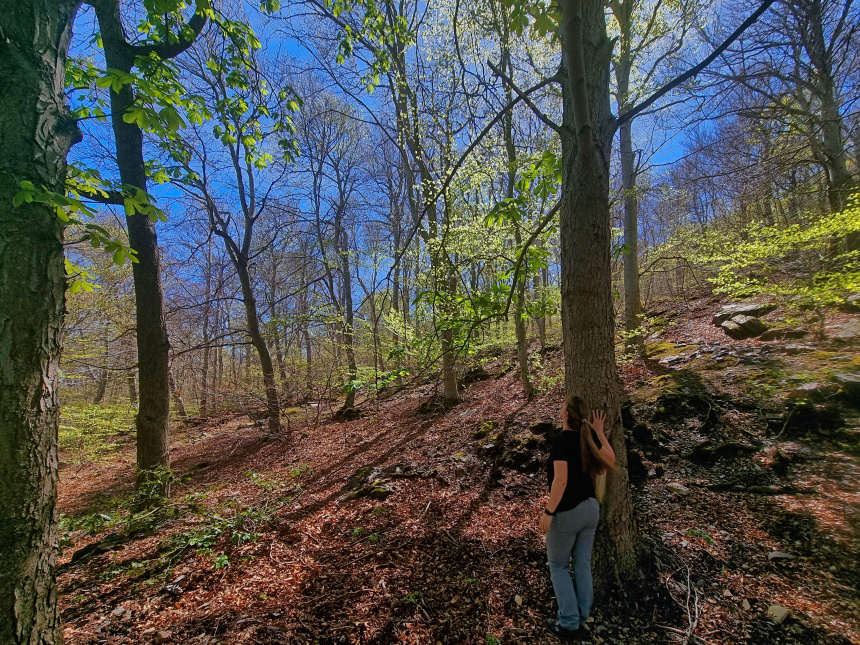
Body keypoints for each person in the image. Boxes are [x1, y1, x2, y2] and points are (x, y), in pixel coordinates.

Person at [539, 395, 617, 641]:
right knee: (582, 566)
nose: (560, 409)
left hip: (568, 512)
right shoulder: (588, 439)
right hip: (591, 510)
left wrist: (548, 512)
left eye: (562, 407)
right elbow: (611, 458)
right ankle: (581, 619)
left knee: (559, 566)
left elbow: (560, 481)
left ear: (565, 415)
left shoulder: (562, 440)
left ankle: (569, 624)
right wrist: (599, 432)